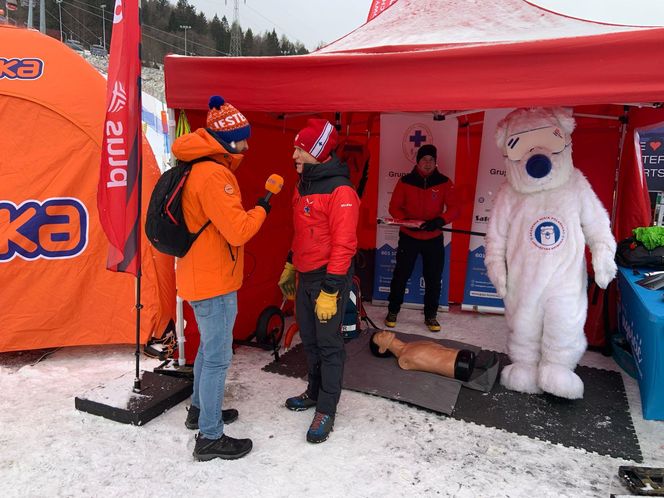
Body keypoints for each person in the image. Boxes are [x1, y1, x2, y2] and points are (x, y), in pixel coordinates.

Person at [173, 95, 271, 461]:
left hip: (199, 276)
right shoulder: (214, 174)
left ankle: (200, 410)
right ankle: (210, 436)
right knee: (217, 358)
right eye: (243, 139)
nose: (247, 145)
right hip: (213, 282)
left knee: (207, 351)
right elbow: (239, 230)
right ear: (229, 141)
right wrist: (262, 207)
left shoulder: (193, 165)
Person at [277, 118, 360, 444]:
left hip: (330, 280)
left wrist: (330, 290)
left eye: (301, 148)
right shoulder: (302, 185)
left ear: (319, 151)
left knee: (328, 345)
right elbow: (303, 234)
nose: (294, 154)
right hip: (305, 275)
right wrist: (289, 263)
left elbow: (344, 245)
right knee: (308, 340)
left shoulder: (342, 191)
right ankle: (313, 392)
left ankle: (327, 407)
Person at [385, 143, 460, 332]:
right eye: (424, 159)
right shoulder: (405, 181)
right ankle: (393, 311)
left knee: (433, 279)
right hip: (409, 236)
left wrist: (439, 221)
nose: (427, 163)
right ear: (417, 161)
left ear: (435, 162)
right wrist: (409, 222)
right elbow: (394, 207)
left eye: (431, 160)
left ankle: (431, 316)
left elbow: (454, 208)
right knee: (401, 275)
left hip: (433, 237)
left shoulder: (444, 182)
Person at [369, 330, 475, 381]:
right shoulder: (404, 360)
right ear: (382, 349)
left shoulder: (411, 344)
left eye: (380, 332)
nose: (383, 332)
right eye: (380, 337)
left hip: (462, 354)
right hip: (460, 367)